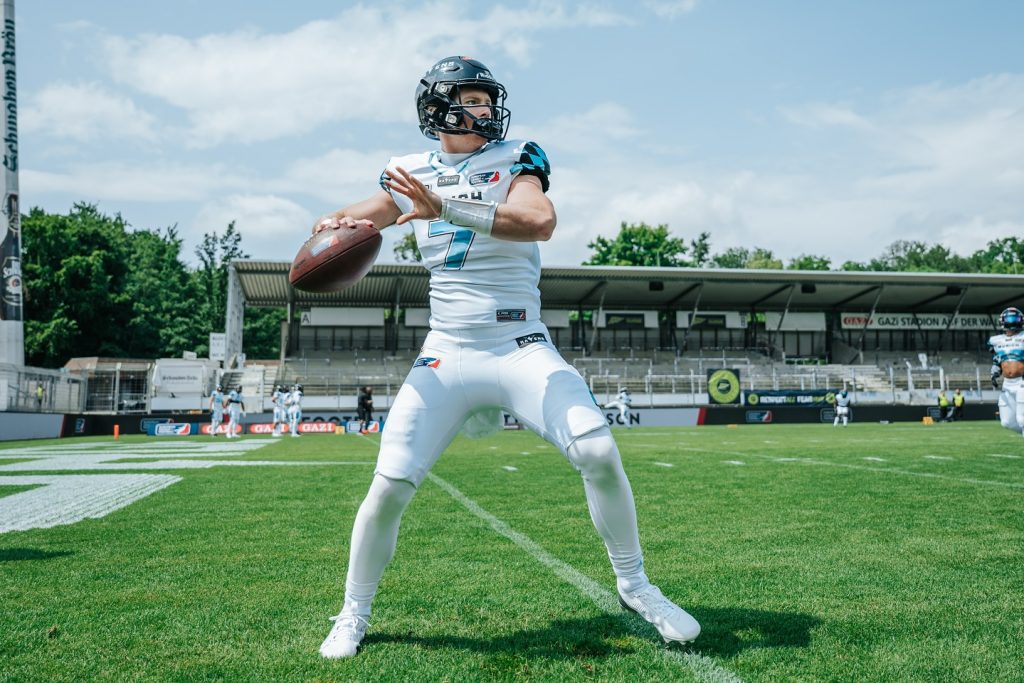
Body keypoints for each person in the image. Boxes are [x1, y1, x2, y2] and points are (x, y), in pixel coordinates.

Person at [316, 56, 700, 660]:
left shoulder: (518, 154)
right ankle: (353, 612)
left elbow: (539, 221)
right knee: (389, 485)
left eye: (487, 99)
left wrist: (447, 209)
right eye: (472, 100)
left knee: (597, 449)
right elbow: (365, 214)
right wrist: (336, 225)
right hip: (446, 351)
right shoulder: (408, 171)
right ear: (439, 105)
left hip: (518, 344)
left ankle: (635, 585)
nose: (486, 109)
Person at [988, 306, 1024, 435]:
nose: (1012, 321)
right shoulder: (996, 341)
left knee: (1022, 419)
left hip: (1022, 382)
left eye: (1015, 318)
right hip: (1007, 384)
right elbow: (998, 358)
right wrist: (995, 369)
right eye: (1009, 318)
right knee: (1007, 422)